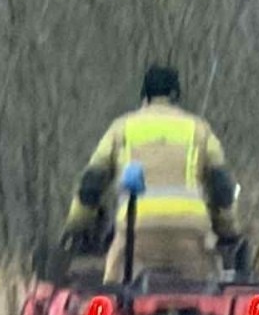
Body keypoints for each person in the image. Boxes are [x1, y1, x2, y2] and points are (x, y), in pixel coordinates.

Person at [61, 65, 242, 282]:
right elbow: (222, 189)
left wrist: (75, 226)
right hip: (190, 234)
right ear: (176, 97)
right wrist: (227, 231)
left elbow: (90, 186)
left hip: (135, 234)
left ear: (144, 97)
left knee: (114, 290)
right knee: (206, 288)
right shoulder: (199, 130)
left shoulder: (121, 129)